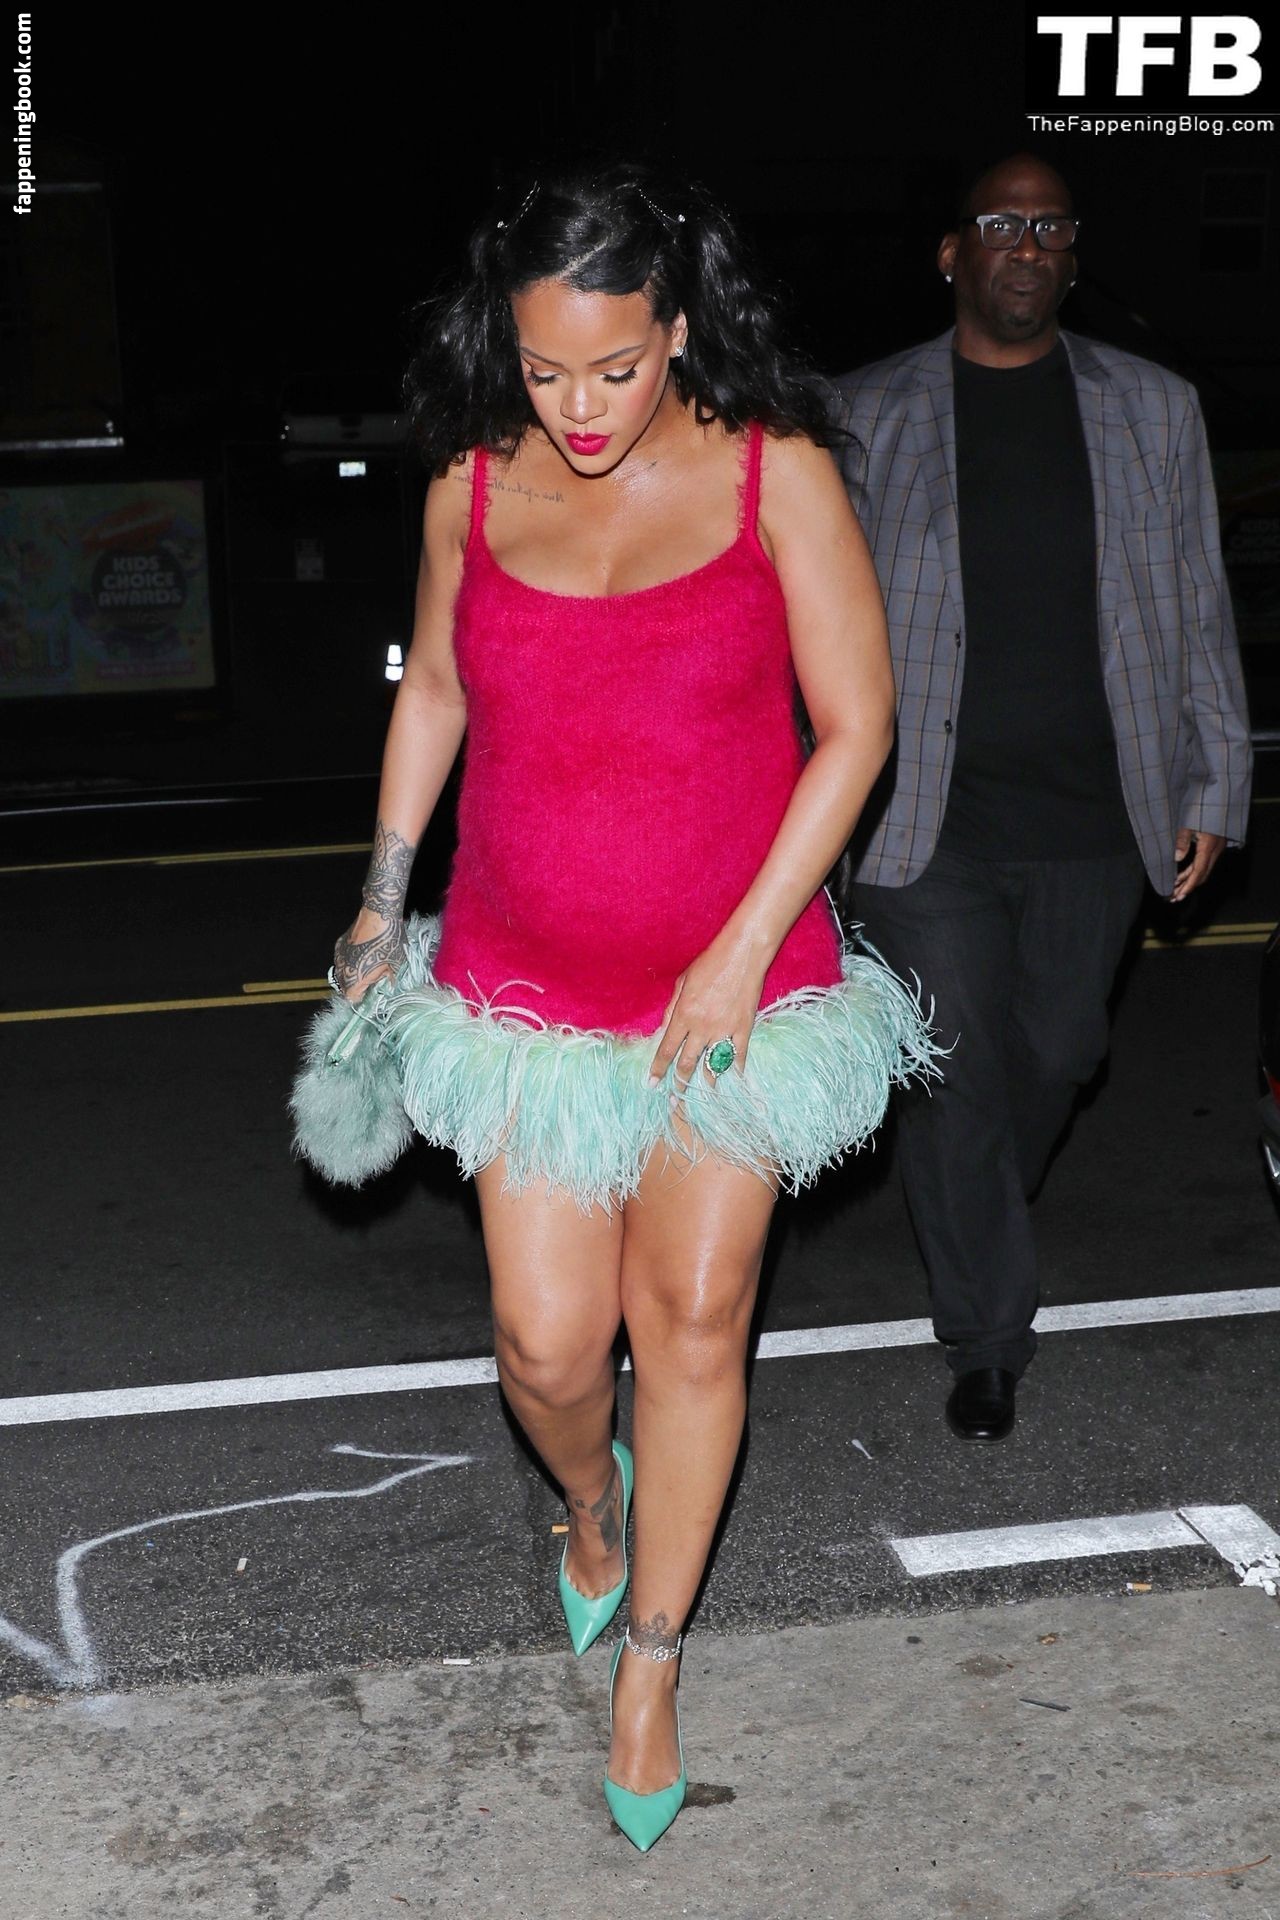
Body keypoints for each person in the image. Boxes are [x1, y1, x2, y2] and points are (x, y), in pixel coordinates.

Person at [291, 161, 938, 1851]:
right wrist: (381, 900)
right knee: (547, 1343)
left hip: (739, 994)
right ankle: (593, 1504)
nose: (580, 407)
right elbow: (437, 689)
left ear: (682, 327)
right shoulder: (469, 478)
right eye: (545, 369)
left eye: (618, 366)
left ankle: (653, 1659)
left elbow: (858, 726)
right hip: (526, 997)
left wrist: (740, 948)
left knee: (696, 1320)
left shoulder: (774, 469)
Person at [832, 153, 1252, 1445]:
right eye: (1001, 223)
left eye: (1052, 226)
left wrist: (1216, 777)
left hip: (1096, 811)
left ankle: (968, 1203)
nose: (1028, 244)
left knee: (1062, 1051)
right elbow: (810, 621)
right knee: (955, 1067)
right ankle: (987, 1338)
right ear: (950, 253)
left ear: (1073, 256)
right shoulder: (862, 414)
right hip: (923, 818)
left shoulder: (1154, 409)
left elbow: (1198, 602)